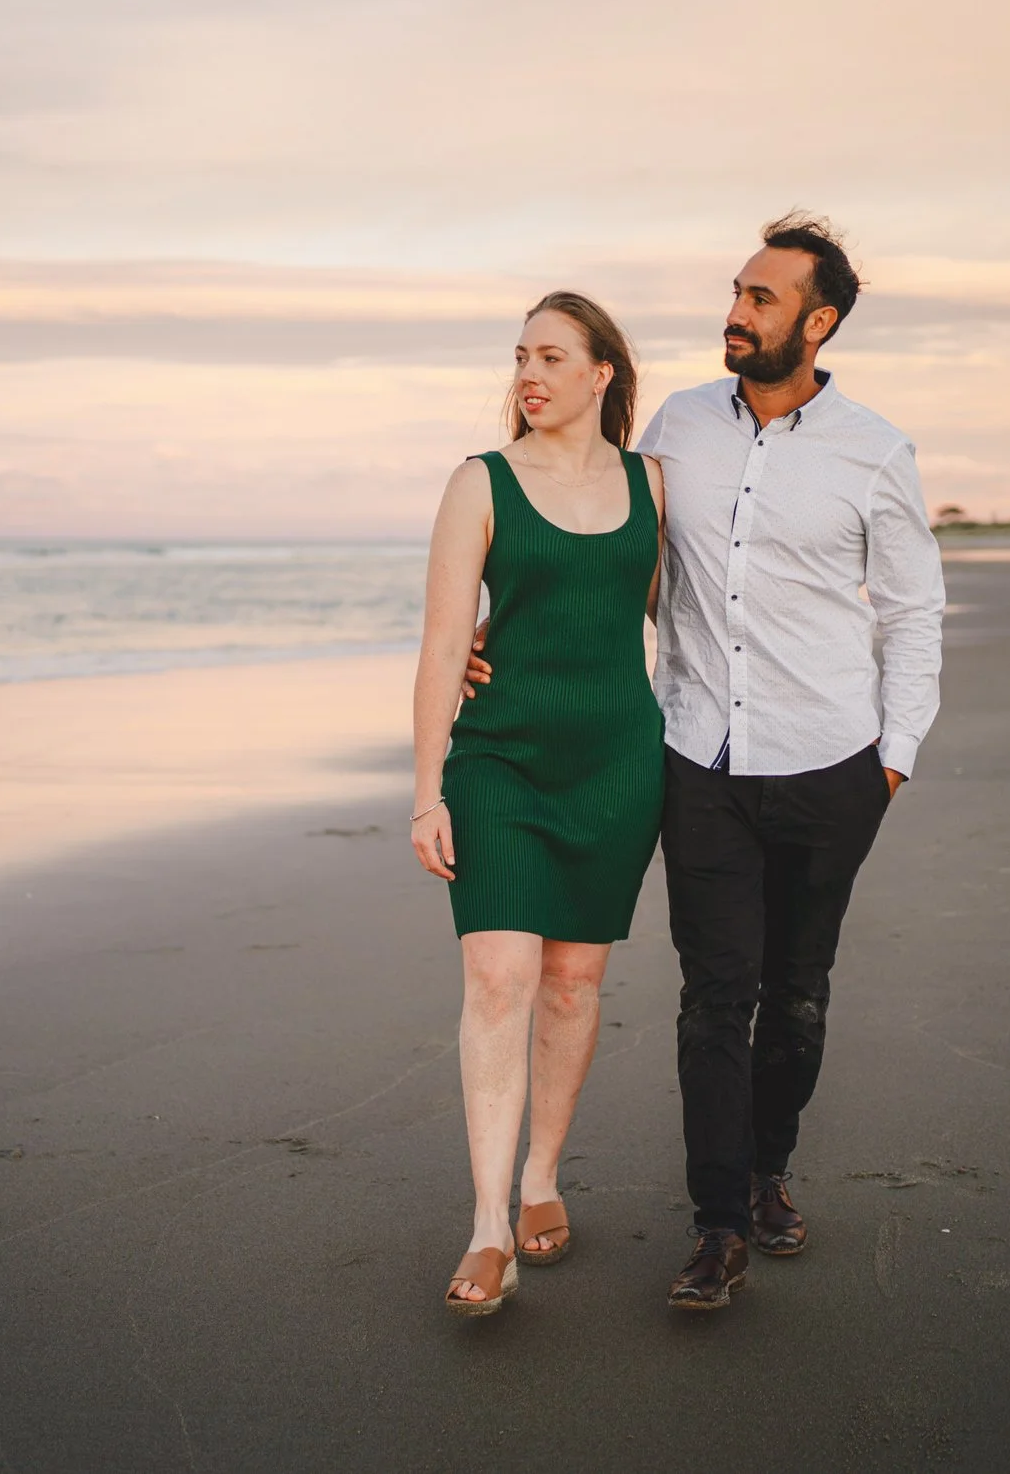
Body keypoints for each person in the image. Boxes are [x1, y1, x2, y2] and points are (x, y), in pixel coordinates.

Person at [469, 214, 943, 1313]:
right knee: (710, 994)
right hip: (698, 756)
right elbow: (608, 539)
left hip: (832, 759)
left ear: (817, 323)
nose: (735, 313)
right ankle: (718, 1220)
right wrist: (496, 640)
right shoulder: (678, 425)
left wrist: (894, 760)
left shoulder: (875, 449)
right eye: (735, 291)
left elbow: (914, 615)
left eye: (762, 299)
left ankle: (768, 1165)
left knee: (798, 995)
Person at [410, 292, 667, 1316]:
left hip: (616, 763)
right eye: (520, 355)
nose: (529, 373)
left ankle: (541, 1177)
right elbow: (441, 644)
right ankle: (485, 1230)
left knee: (571, 982)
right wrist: (426, 786)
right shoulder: (479, 482)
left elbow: (684, 617)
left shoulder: (652, 482)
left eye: (552, 356)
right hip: (500, 760)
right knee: (499, 974)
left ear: (602, 372)